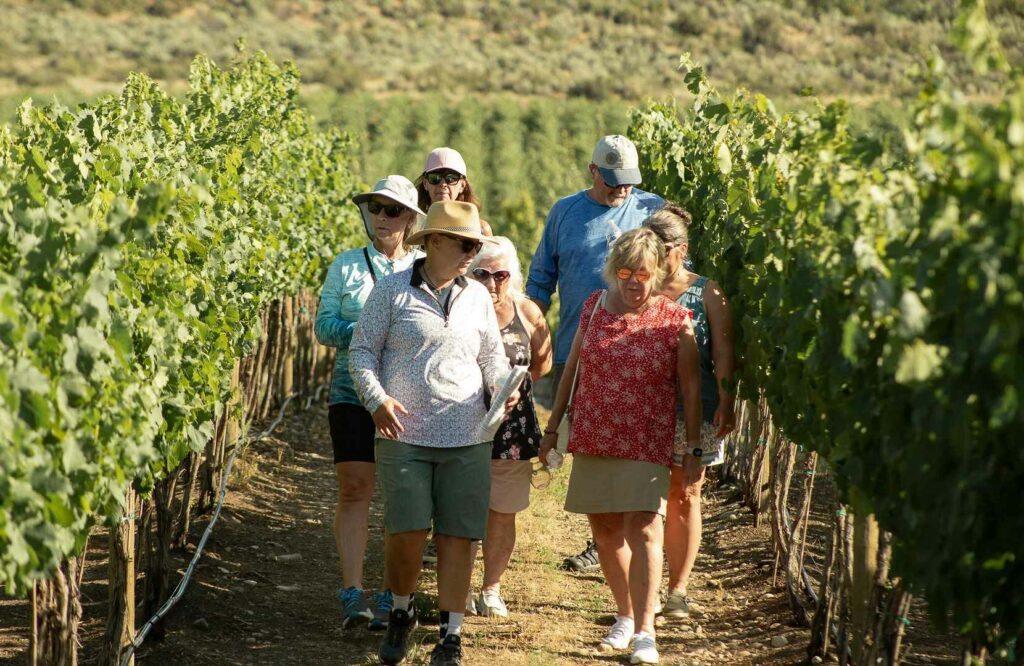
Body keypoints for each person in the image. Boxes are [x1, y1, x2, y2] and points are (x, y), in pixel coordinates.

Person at [349, 201, 517, 666]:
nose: (471, 254)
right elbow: (361, 352)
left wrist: (504, 388)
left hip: (468, 435)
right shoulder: (391, 291)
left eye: (476, 246)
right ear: (435, 241)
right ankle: (401, 611)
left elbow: (491, 359)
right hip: (404, 434)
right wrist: (377, 399)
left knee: (458, 536)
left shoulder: (478, 297)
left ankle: (451, 634)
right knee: (406, 531)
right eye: (464, 244)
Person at [538, 227, 702, 665]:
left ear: (657, 274)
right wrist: (553, 427)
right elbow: (571, 368)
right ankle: (625, 615)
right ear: (614, 271)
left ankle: (647, 632)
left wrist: (694, 446)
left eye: (643, 274)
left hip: (646, 439)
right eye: (625, 272)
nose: (634, 282)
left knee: (645, 529)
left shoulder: (674, 320)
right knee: (606, 530)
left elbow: (690, 387)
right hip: (594, 433)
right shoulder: (593, 307)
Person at [526, 134, 664, 572]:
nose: (621, 189)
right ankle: (601, 538)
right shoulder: (565, 212)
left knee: (632, 445)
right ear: (593, 172)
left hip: (640, 351)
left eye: (628, 181)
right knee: (590, 446)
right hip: (578, 347)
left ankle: (627, 534)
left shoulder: (651, 209)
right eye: (611, 181)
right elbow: (540, 279)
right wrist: (530, 328)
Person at [314, 175, 425, 630]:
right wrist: (366, 331)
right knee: (356, 488)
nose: (382, 217)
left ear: (410, 218)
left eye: (393, 210)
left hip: (408, 396)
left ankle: (392, 594)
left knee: (403, 495)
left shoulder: (423, 266)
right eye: (376, 208)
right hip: (351, 392)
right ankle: (352, 592)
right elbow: (324, 327)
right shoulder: (345, 265)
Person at [643, 204, 736, 619]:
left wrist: (728, 399)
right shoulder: (638, 288)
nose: (657, 260)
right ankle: (644, 590)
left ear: (682, 249)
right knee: (645, 497)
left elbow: (723, 351)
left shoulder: (707, 292)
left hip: (695, 411)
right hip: (642, 408)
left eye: (664, 251)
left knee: (685, 493)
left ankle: (677, 590)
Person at [466, 237, 553, 618]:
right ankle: (460, 586)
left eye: (500, 275)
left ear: (511, 276)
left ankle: (491, 589)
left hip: (512, 430)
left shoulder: (528, 312)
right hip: (463, 424)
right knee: (463, 508)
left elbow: (542, 365)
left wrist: (511, 390)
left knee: (502, 511)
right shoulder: (458, 306)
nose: (491, 283)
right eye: (482, 273)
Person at [416, 146, 493, 236]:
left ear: (462, 185)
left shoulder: (480, 230)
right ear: (425, 183)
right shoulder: (413, 225)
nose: (443, 184)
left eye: (451, 178)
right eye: (435, 178)